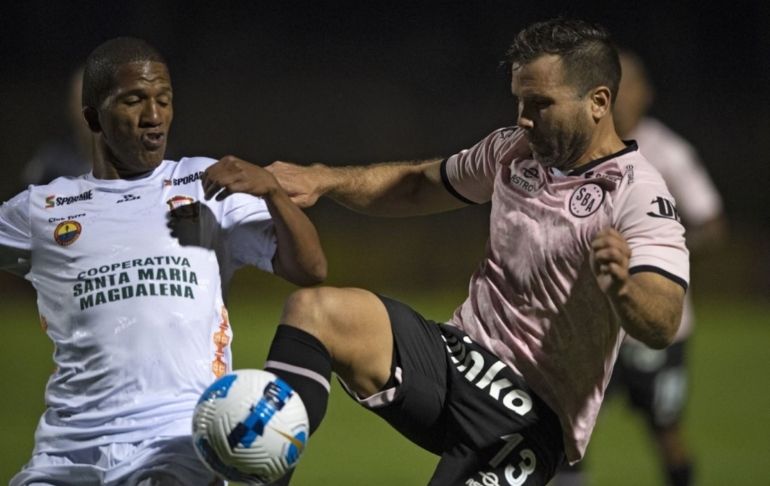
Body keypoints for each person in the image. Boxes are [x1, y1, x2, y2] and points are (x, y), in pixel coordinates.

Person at [260, 18, 689, 486]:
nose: (524, 117)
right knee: (314, 311)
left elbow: (663, 321)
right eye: (520, 100)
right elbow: (416, 186)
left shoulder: (637, 193)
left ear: (598, 102)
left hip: (529, 420)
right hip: (457, 360)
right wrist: (323, 179)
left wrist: (623, 288)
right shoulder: (514, 150)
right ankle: (259, 473)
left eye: (541, 104)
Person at [1, 37, 326, 485]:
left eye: (164, 101)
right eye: (134, 101)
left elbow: (310, 269)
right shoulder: (40, 209)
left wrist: (272, 191)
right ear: (93, 117)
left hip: (180, 445)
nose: (154, 117)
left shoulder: (202, 182)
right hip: (66, 454)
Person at [553, 49, 726, 486]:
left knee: (667, 433)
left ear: (644, 94)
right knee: (566, 435)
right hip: (596, 328)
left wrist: (658, 255)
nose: (616, 98)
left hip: (656, 328)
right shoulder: (577, 150)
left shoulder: (668, 153)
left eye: (626, 87)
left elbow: (711, 224)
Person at [19, 65, 93, 187]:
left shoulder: (130, 164)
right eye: (82, 103)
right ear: (71, 107)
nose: (90, 114)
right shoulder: (51, 163)